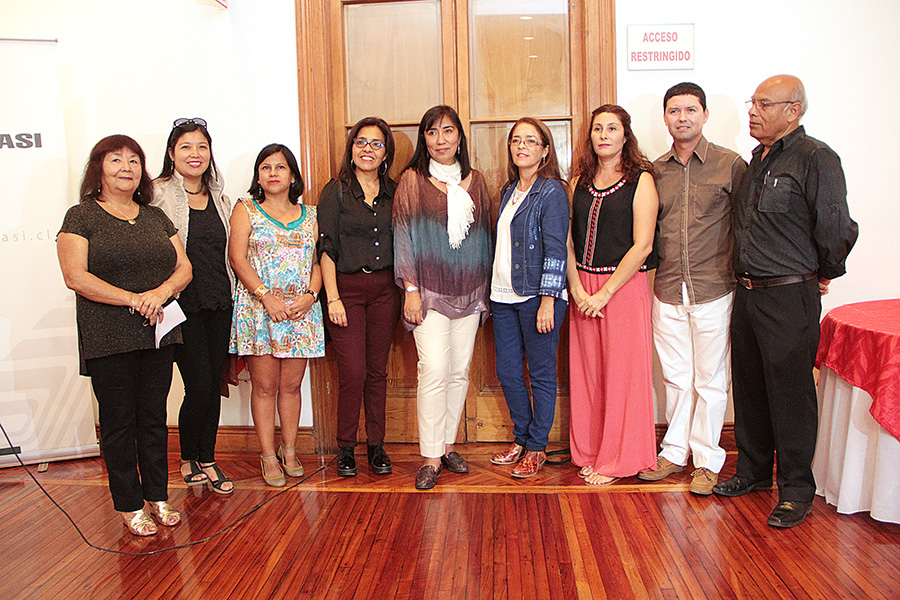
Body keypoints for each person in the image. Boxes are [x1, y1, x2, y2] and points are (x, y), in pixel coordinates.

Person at [713, 75, 858, 528]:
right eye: (751, 103)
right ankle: (753, 473)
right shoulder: (756, 160)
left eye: (763, 104)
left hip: (789, 295)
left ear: (793, 110)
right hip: (748, 293)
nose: (752, 111)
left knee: (792, 394)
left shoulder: (817, 157)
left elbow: (836, 227)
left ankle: (796, 489)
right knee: (751, 387)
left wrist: (823, 274)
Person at [57, 135, 192, 536]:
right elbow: (75, 276)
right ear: (98, 168)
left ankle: (157, 495)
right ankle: (129, 504)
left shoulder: (154, 216)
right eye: (116, 159)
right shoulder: (80, 216)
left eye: (134, 160)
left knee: (153, 418)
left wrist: (159, 295)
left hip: (158, 331)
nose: (126, 167)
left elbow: (183, 267)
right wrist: (135, 299)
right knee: (118, 422)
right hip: (108, 336)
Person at [638, 83, 747, 495]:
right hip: (666, 288)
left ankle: (706, 460)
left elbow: (748, 227)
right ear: (665, 117)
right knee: (676, 378)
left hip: (715, 287)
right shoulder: (653, 170)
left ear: (704, 115)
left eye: (690, 110)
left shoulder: (730, 165)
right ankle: (673, 452)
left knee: (711, 381)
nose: (682, 117)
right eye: (674, 110)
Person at [393, 105, 492, 490]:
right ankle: (430, 456)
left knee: (459, 370)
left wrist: (484, 291)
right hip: (428, 292)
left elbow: (485, 236)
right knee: (433, 369)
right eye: (432, 133)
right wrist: (411, 290)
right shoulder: (412, 181)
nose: (440, 140)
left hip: (469, 291)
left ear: (459, 138)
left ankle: (448, 444)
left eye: (448, 131)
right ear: (424, 139)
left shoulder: (476, 181)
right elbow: (404, 236)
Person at [567, 104, 659, 486]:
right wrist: (576, 287)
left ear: (625, 135)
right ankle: (590, 451)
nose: (603, 135)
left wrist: (603, 293)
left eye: (612, 128)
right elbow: (567, 240)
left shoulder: (642, 180)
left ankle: (621, 458)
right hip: (582, 288)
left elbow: (643, 245)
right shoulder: (578, 181)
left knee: (624, 375)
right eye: (597, 128)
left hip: (621, 288)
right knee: (587, 375)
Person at [229, 143, 324, 487]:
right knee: (265, 387)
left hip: (300, 313)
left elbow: (317, 263)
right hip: (260, 311)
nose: (272, 173)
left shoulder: (312, 215)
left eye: (280, 167)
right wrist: (265, 296)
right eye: (265, 167)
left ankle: (290, 448)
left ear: (293, 175)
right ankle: (268, 454)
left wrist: (311, 296)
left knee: (291, 386)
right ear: (258, 175)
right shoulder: (246, 209)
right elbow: (237, 258)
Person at [152, 118, 235, 494]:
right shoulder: (157, 194)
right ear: (172, 153)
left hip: (219, 302)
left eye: (202, 146)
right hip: (180, 305)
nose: (195, 154)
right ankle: (188, 457)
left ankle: (208, 458)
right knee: (198, 384)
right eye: (186, 146)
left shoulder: (220, 197)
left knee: (213, 384)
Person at [318, 117, 400, 477]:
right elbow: (326, 248)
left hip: (386, 291)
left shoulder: (396, 192)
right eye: (361, 142)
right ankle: (346, 447)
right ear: (351, 148)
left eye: (376, 144)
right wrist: (332, 298)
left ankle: (376, 446)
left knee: (376, 372)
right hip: (346, 291)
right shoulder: (335, 191)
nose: (367, 149)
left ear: (386, 153)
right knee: (351, 372)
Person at [489, 117, 568, 478]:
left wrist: (549, 299)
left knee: (540, 374)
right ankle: (521, 438)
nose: (522, 146)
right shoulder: (508, 190)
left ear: (545, 151)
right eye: (516, 140)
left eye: (531, 141)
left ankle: (537, 447)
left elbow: (555, 250)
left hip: (538, 298)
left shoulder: (551, 192)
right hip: (503, 297)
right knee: (507, 372)